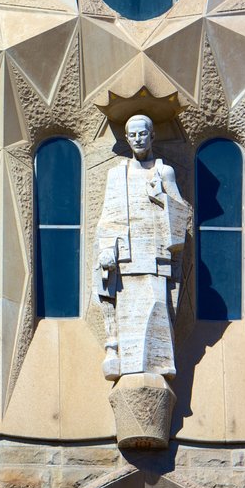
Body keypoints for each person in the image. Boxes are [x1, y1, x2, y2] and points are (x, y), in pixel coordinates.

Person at [95, 114, 191, 381]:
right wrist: (106, 248)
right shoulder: (117, 175)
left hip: (155, 256)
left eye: (143, 133)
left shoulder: (164, 171)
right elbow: (107, 216)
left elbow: (181, 213)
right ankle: (121, 357)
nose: (138, 139)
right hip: (125, 257)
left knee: (156, 307)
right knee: (128, 312)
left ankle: (159, 365)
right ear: (127, 138)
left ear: (152, 136)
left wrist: (161, 197)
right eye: (133, 135)